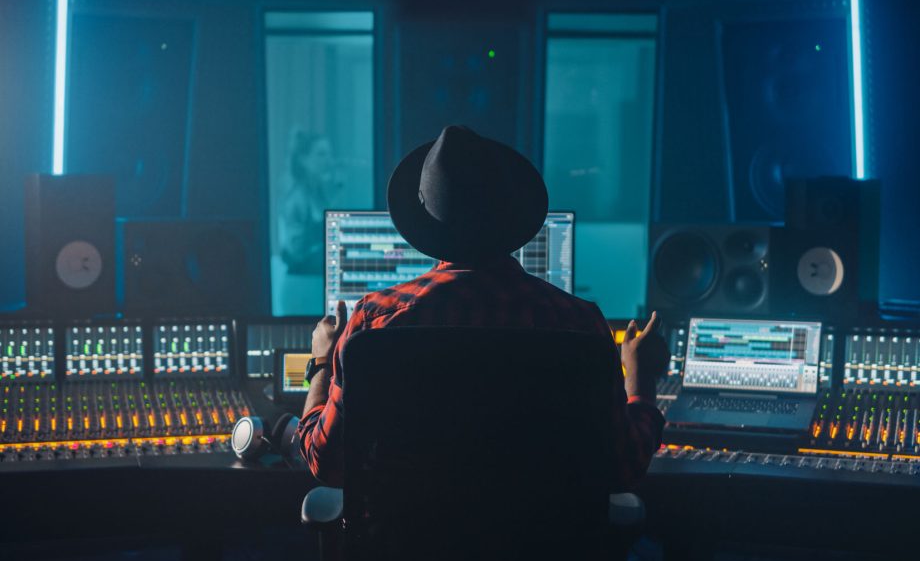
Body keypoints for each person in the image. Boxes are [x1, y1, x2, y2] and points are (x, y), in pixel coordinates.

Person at [297, 125, 667, 487]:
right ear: (513, 215)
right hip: (541, 549)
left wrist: (320, 365)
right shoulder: (578, 323)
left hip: (410, 548)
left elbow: (325, 463)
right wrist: (639, 377)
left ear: (423, 221)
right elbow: (624, 467)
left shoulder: (373, 322)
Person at [278, 131, 341, 276]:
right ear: (303, 160)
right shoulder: (296, 198)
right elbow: (295, 250)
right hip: (301, 280)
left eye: (329, 154)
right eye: (321, 154)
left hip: (316, 277)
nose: (328, 160)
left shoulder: (320, 194)